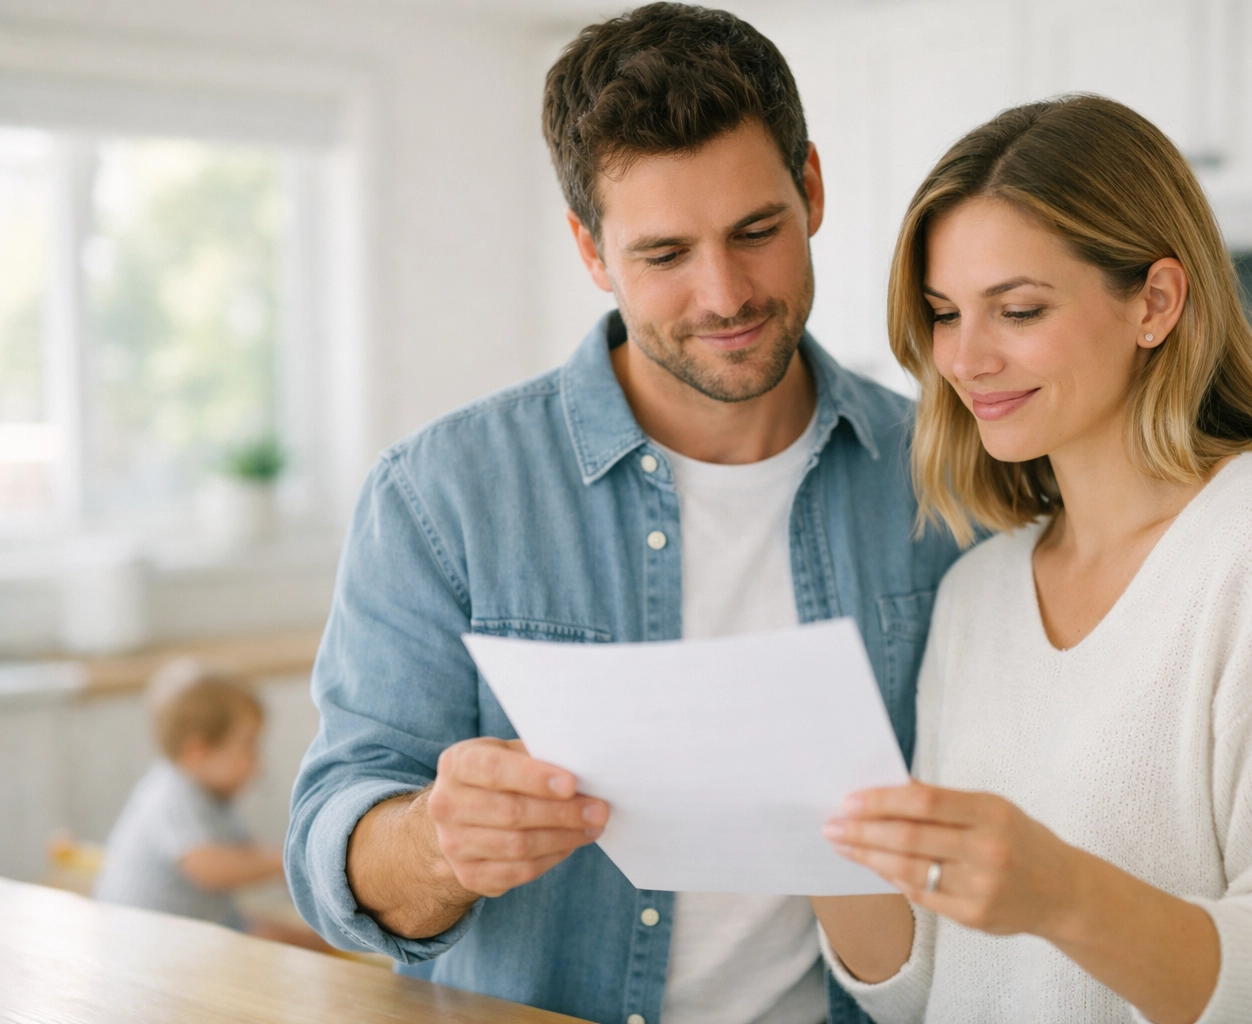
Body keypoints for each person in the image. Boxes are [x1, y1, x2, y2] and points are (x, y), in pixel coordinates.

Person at [284, 5, 960, 1023]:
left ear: (811, 188)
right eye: (664, 254)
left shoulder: (948, 480)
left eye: (756, 231)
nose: (724, 293)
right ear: (591, 251)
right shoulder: (442, 495)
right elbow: (332, 852)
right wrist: (435, 840)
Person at [811, 96, 1252, 1024]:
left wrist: (1064, 895)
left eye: (1017, 309)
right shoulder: (979, 591)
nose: (965, 359)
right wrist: (808, 829)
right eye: (944, 314)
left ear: (1154, 302)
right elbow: (931, 989)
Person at [95, 658, 327, 950]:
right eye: (248, 746)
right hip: (144, 940)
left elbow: (243, 854)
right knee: (275, 940)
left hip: (196, 926)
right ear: (197, 751)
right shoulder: (171, 793)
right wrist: (278, 861)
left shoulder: (213, 798)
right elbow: (207, 866)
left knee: (283, 934)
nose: (258, 765)